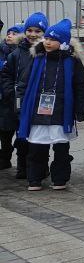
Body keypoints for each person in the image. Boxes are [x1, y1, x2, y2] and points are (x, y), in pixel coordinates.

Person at [16, 19, 84, 192]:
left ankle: (60, 178)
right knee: (36, 148)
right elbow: (23, 83)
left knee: (61, 148)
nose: (47, 42)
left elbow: (81, 86)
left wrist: (80, 109)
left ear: (63, 42)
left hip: (61, 111)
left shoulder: (72, 62)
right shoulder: (37, 58)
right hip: (36, 111)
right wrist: (20, 107)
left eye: (53, 39)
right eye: (46, 38)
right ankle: (35, 178)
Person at [1, 14, 49, 179]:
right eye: (29, 30)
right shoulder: (16, 53)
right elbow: (6, 75)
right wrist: (10, 92)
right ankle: (22, 166)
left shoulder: (47, 51)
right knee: (22, 135)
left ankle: (40, 166)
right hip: (20, 99)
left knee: (39, 137)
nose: (33, 34)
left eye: (38, 31)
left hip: (40, 101)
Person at [0, 23, 23, 169]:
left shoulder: (22, 53)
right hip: (4, 98)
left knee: (20, 132)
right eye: (9, 33)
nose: (10, 35)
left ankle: (23, 161)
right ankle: (5, 156)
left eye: (14, 33)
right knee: (4, 130)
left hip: (18, 97)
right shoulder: (2, 50)